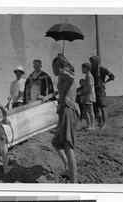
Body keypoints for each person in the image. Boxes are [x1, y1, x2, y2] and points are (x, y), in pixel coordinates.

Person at [51, 53, 80, 183]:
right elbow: (61, 92)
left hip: (68, 111)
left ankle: (73, 183)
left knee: (68, 147)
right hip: (63, 111)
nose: (53, 71)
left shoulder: (66, 75)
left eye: (53, 67)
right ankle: (67, 168)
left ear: (57, 65)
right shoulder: (62, 78)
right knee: (56, 142)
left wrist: (63, 69)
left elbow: (72, 78)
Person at [89, 55, 115, 129]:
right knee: (96, 108)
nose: (91, 63)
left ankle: (105, 124)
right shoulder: (91, 70)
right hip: (93, 90)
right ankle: (100, 124)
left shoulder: (102, 69)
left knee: (102, 107)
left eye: (92, 61)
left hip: (100, 89)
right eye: (90, 61)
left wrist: (105, 83)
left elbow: (112, 76)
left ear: (96, 61)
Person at [80, 63, 96, 130]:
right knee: (86, 111)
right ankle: (89, 124)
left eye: (82, 68)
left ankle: (92, 125)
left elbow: (90, 86)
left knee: (90, 110)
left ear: (86, 68)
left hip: (89, 96)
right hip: (86, 96)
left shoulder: (89, 76)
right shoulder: (87, 76)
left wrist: (83, 92)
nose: (81, 70)